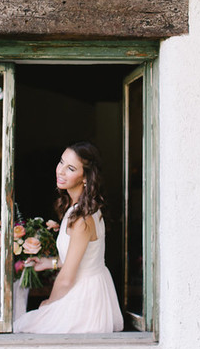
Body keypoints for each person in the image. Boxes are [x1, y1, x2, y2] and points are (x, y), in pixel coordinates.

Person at [14, 141, 123, 334]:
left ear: (86, 178)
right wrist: (50, 263)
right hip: (88, 288)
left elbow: (67, 278)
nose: (61, 171)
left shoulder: (82, 219)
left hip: (84, 298)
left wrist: (50, 304)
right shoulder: (84, 209)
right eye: (61, 162)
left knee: (21, 327)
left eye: (70, 168)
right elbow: (82, 259)